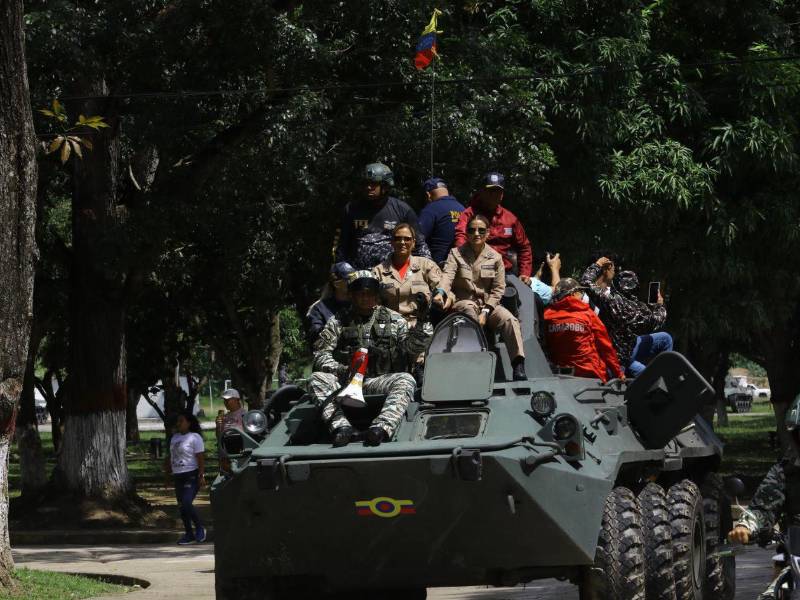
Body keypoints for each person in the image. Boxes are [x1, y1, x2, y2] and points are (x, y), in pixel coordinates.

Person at [309, 270, 432, 447]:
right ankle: (341, 427)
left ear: (377, 295)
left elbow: (412, 349)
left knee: (406, 380)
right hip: (347, 380)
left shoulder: (394, 319)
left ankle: (381, 428)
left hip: (379, 381)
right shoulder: (337, 321)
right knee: (316, 379)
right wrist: (342, 369)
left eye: (370, 294)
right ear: (351, 295)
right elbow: (321, 355)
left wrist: (423, 322)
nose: (365, 298)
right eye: (360, 294)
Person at [728, 396, 800, 600]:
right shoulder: (785, 472)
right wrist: (746, 526)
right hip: (794, 555)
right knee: (771, 595)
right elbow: (763, 507)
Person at [442, 214, 527, 381]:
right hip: (464, 301)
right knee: (469, 311)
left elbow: (498, 289)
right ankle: (477, 362)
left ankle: (518, 365)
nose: (476, 234)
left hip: (489, 304)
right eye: (472, 230)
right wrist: (441, 293)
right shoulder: (455, 254)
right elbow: (447, 277)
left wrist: (486, 311)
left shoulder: (495, 257)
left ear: (488, 233)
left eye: (481, 230)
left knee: (510, 320)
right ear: (466, 233)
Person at [581, 256, 672, 377]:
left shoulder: (609, 300)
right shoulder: (638, 309)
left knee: (642, 371)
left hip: (612, 353)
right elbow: (657, 320)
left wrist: (597, 265)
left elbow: (586, 282)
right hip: (622, 357)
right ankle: (665, 379)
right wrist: (658, 305)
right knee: (665, 339)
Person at [334, 163, 431, 269]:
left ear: (385, 186)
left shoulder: (402, 210)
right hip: (358, 275)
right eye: (366, 183)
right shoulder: (351, 209)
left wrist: (427, 270)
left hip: (393, 274)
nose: (368, 187)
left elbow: (420, 245)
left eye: (374, 184)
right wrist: (340, 268)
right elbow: (342, 245)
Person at [454, 172, 533, 284]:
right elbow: (460, 239)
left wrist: (524, 273)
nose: (493, 195)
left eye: (497, 191)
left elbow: (524, 247)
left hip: (505, 273)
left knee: (529, 298)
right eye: (490, 191)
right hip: (475, 271)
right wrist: (465, 265)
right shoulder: (469, 214)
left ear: (502, 195)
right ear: (482, 192)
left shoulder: (510, 219)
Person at [544, 278, 624, 382]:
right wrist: (619, 373)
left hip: (559, 375)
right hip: (591, 373)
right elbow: (605, 347)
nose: (582, 295)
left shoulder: (547, 315)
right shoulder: (588, 314)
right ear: (573, 294)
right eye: (580, 292)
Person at [372, 223, 446, 327]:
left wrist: (440, 295)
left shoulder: (426, 265)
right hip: (388, 328)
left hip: (419, 327)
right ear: (392, 242)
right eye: (398, 238)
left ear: (413, 243)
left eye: (407, 239)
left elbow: (443, 286)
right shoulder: (378, 271)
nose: (402, 242)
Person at [165, 412, 206, 545]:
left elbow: (200, 458)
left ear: (189, 423)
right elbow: (171, 457)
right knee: (182, 507)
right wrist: (168, 475)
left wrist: (201, 475)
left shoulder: (195, 437)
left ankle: (200, 528)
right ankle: (189, 534)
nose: (179, 424)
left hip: (191, 474)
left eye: (181, 421)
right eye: (178, 421)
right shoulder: (174, 438)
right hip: (178, 475)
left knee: (187, 502)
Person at [417, 177, 465, 265]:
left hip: (438, 266)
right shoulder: (463, 208)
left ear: (428, 195)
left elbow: (417, 237)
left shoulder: (430, 209)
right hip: (462, 263)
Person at [305, 262, 355, 343]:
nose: (353, 282)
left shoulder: (361, 303)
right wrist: (337, 324)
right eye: (348, 279)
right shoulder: (319, 309)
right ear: (336, 284)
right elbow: (316, 336)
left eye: (354, 278)